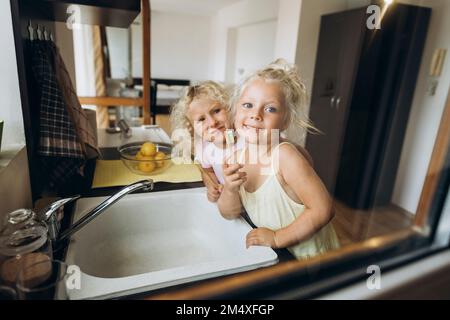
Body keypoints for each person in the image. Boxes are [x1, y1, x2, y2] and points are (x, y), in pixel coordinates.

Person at [217, 59, 340, 259]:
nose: (255, 115)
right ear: (235, 110)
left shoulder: (285, 157)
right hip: (276, 256)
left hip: (310, 260)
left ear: (285, 121)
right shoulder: (235, 157)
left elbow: (323, 209)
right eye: (248, 105)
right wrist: (230, 189)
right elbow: (229, 213)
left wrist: (277, 238)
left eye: (270, 109)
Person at [170, 81, 243, 202]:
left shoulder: (245, 136)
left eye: (216, 111)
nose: (212, 122)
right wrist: (212, 185)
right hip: (231, 202)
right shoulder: (205, 148)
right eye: (202, 119)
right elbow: (207, 171)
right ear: (191, 128)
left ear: (229, 107)